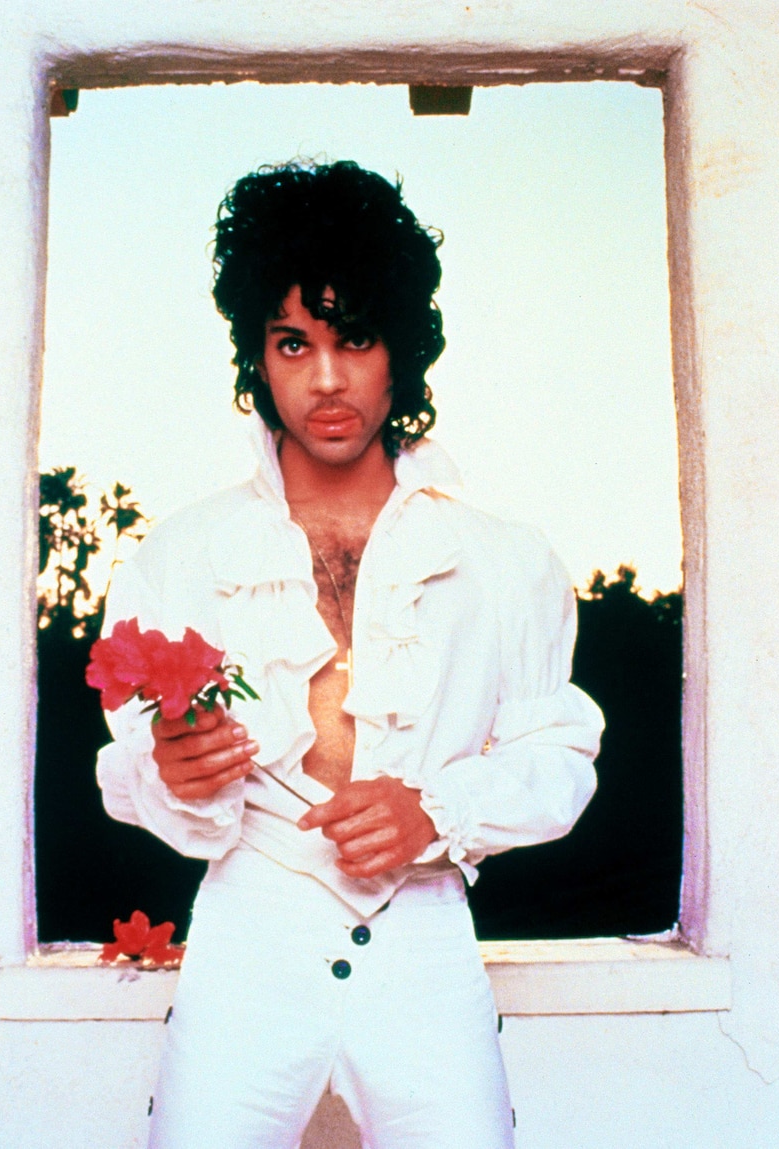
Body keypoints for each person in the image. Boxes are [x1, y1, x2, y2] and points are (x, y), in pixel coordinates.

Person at [96, 159, 604, 1149]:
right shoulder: (181, 555)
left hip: (424, 946)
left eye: (354, 339)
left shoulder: (505, 560)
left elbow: (559, 760)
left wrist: (436, 810)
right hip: (248, 936)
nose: (325, 379)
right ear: (257, 353)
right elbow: (126, 769)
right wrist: (174, 772)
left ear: (400, 352)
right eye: (294, 342)